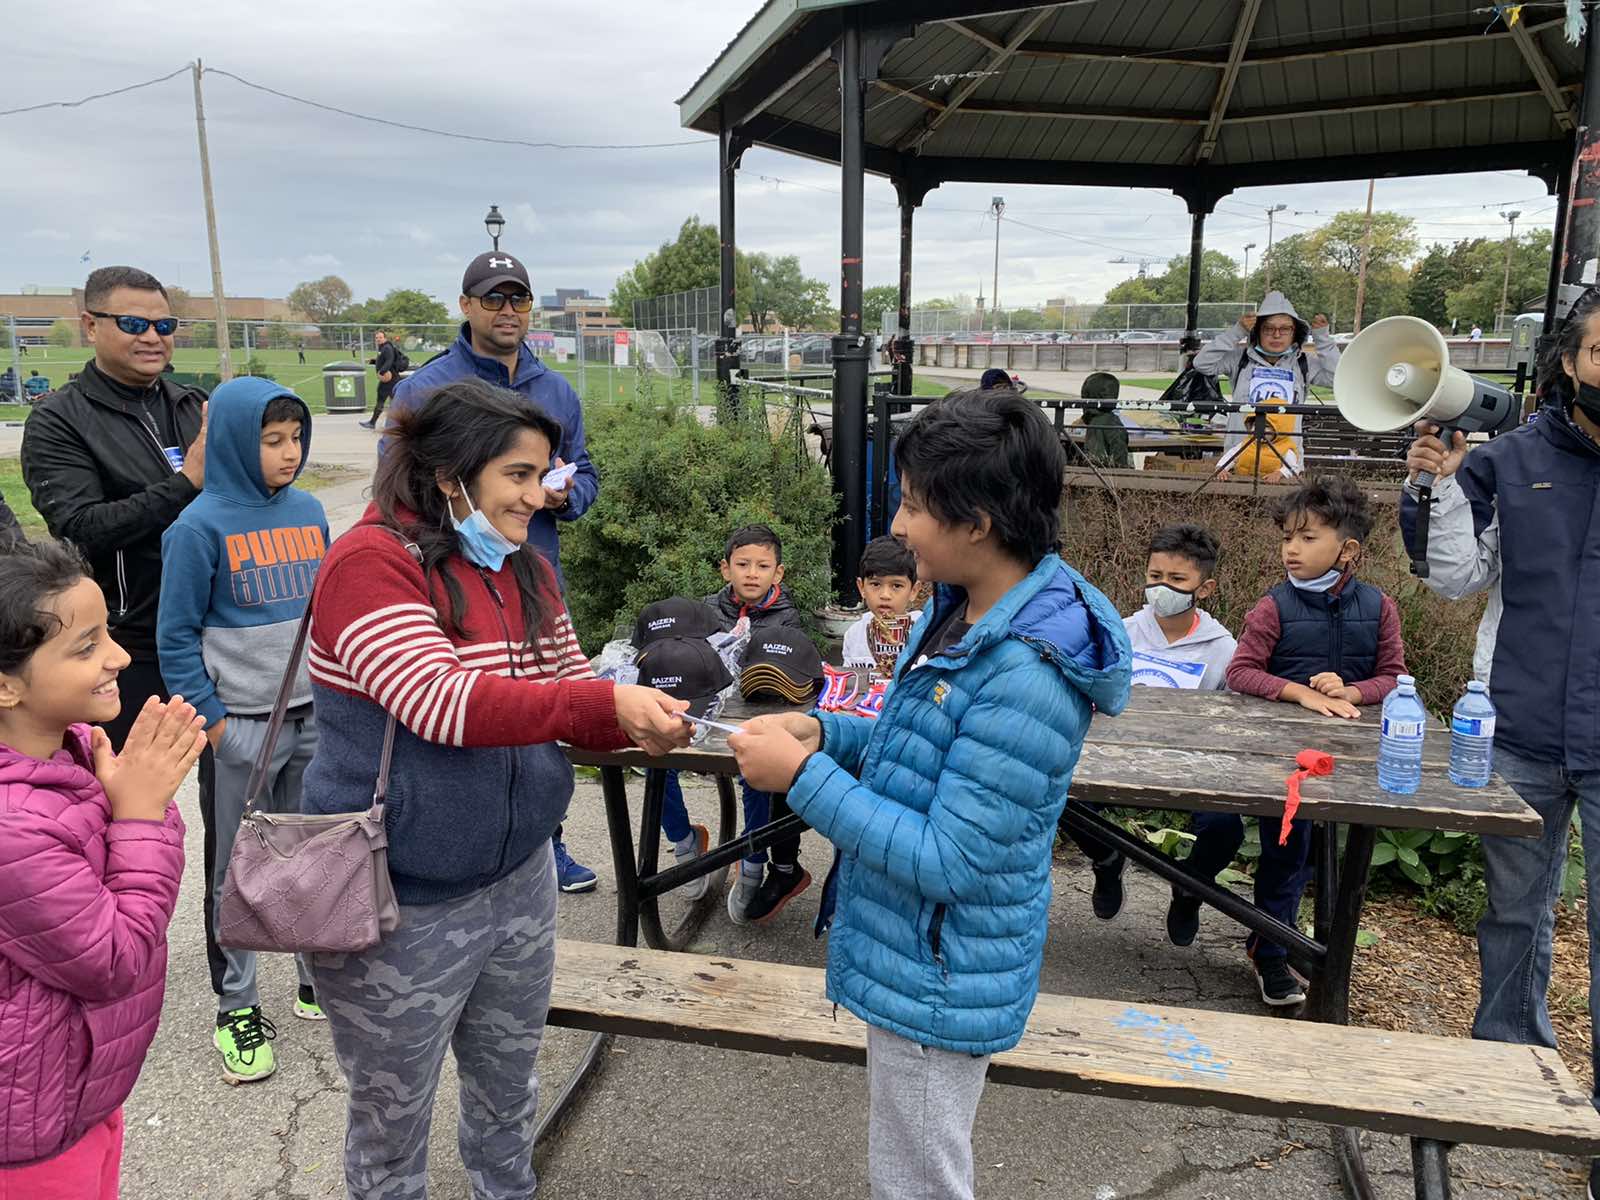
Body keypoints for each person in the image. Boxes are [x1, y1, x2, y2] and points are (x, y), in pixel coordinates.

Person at [729, 388, 1131, 1200]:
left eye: (913, 504)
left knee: (918, 1180)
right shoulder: (965, 608)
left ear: (976, 522)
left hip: (940, 971)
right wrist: (823, 734)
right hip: (917, 952)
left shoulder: (1025, 672)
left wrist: (801, 779)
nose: (899, 525)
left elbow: (951, 859)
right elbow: (912, 747)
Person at [302, 378, 689, 1199]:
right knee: (392, 1119)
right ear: (450, 475)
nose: (539, 495)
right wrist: (601, 704)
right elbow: (442, 704)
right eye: (518, 475)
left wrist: (650, 721)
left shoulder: (525, 568)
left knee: (509, 1087)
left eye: (544, 475)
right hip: (400, 899)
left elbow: (568, 690)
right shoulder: (368, 565)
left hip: (520, 881)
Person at [1402, 287, 1600, 1196]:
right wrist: (1435, 486)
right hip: (1519, 727)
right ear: (1569, 361)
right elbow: (1454, 577)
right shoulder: (1510, 460)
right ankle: (1508, 1064)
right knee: (1514, 912)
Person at [385, 250, 602, 891]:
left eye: (519, 298)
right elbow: (396, 491)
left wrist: (565, 495)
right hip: (455, 582)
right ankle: (462, 851)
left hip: (533, 579)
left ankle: (544, 843)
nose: (508, 310)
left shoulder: (555, 389)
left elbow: (586, 472)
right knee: (473, 711)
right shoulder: (424, 388)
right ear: (466, 306)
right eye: (493, 298)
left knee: (541, 710)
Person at [0, 540, 206, 1199]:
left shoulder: (70, 754)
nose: (119, 657)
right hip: (28, 1141)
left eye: (108, 633)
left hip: (69, 1094)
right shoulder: (11, 827)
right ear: (5, 685)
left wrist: (133, 805)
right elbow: (114, 960)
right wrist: (141, 814)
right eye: (86, 647)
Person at [156, 377, 329, 1084]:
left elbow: (327, 615)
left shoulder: (311, 511)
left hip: (316, 721)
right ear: (231, 441)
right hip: (245, 731)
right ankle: (237, 1007)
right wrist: (221, 730)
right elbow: (175, 640)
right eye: (271, 440)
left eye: (295, 437)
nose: (289, 452)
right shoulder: (195, 528)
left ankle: (317, 976)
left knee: (315, 855)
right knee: (239, 871)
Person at [1225, 478, 1405, 1006]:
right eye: (1287, 537)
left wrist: (1353, 690)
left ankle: (1297, 944)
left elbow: (1394, 676)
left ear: (1347, 550)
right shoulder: (1273, 606)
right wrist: (1299, 692)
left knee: (1322, 862)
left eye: (1307, 538)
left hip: (1347, 759)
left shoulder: (1379, 606)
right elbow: (1241, 672)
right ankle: (1271, 952)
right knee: (1287, 853)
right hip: (1282, 761)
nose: (1292, 549)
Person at [20, 265, 208, 753]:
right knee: (122, 787)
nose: (152, 337)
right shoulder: (58, 420)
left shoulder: (194, 404)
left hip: (212, 633)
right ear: (90, 325)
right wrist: (186, 482)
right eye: (133, 324)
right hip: (129, 645)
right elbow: (80, 530)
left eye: (164, 325)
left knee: (232, 782)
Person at [1064, 524, 1238, 938]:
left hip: (1192, 765)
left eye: (1177, 579)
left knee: (1226, 827)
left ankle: (1191, 886)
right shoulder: (1121, 632)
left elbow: (1231, 717)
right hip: (1116, 756)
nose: (1162, 588)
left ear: (1205, 588)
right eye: (1155, 576)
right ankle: (1107, 859)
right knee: (1062, 796)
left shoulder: (1223, 648)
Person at [699, 523, 812, 925]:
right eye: (742, 564)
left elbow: (791, 669)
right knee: (659, 761)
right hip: (715, 718)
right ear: (725, 568)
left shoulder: (787, 617)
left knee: (768, 774)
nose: (751, 574)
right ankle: (687, 845)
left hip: (765, 716)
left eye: (762, 566)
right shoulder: (708, 611)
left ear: (777, 573)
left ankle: (758, 862)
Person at [1194, 291, 1338, 482]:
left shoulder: (1304, 363)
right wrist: (1237, 332)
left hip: (1285, 467)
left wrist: (1323, 340)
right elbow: (1202, 363)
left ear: (1295, 332)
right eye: (1268, 328)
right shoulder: (1240, 359)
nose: (1276, 335)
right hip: (1239, 461)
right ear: (1257, 331)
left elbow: (1337, 378)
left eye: (1285, 329)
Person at [841, 533, 920, 680]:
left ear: (913, 591)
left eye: (896, 585)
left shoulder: (925, 632)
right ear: (861, 587)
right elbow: (849, 681)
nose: (885, 595)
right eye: (876, 584)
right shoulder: (854, 634)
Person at [1079, 371, 1131, 469]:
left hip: (1101, 472)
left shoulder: (1098, 421)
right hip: (1108, 473)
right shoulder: (1110, 422)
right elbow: (1120, 462)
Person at [358, 330, 401, 430]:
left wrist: (382, 372)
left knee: (381, 400)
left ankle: (372, 423)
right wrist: (373, 361)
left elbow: (389, 361)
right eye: (376, 338)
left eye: (380, 337)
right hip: (390, 379)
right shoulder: (383, 347)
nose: (378, 339)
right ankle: (399, 423)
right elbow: (383, 360)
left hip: (389, 379)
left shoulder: (387, 348)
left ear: (385, 338)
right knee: (395, 401)